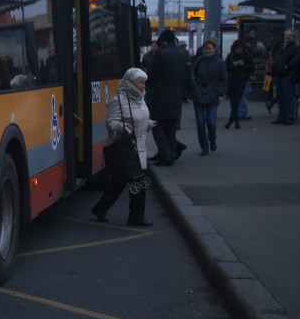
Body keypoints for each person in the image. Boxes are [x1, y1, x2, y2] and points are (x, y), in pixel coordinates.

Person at [90, 68, 156, 227]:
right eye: (140, 82)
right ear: (130, 83)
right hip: (124, 148)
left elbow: (138, 121)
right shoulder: (118, 100)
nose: (143, 86)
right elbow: (110, 123)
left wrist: (148, 124)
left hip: (138, 147)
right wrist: (122, 127)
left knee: (128, 182)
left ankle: (127, 214)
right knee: (131, 182)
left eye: (144, 82)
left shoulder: (140, 98)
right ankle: (133, 216)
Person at [147, 29, 191, 165]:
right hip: (177, 95)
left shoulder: (161, 54)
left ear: (162, 40)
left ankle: (165, 155)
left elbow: (152, 75)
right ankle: (170, 153)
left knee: (157, 125)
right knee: (171, 127)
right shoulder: (184, 53)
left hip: (161, 96)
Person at [191, 39, 228, 155]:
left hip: (212, 94)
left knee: (211, 122)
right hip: (199, 93)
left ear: (214, 49)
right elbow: (191, 75)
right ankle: (204, 147)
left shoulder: (220, 62)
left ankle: (212, 139)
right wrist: (194, 88)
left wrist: (220, 91)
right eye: (205, 48)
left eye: (209, 48)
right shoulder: (199, 60)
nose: (207, 51)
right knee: (200, 123)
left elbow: (224, 79)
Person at [270, 30, 300, 125]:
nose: (287, 37)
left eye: (290, 35)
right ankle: (282, 116)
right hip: (279, 75)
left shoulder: (295, 48)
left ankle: (290, 118)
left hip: (288, 75)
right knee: (280, 97)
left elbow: (295, 62)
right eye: (286, 35)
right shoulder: (282, 46)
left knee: (288, 97)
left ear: (294, 37)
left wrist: (287, 67)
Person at [223, 39, 254, 129]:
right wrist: (234, 65)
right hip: (232, 79)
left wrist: (243, 65)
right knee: (233, 100)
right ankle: (236, 120)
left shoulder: (247, 56)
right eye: (236, 49)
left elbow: (252, 68)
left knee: (237, 99)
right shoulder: (230, 56)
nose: (238, 51)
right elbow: (226, 67)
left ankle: (231, 119)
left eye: (240, 49)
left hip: (242, 80)